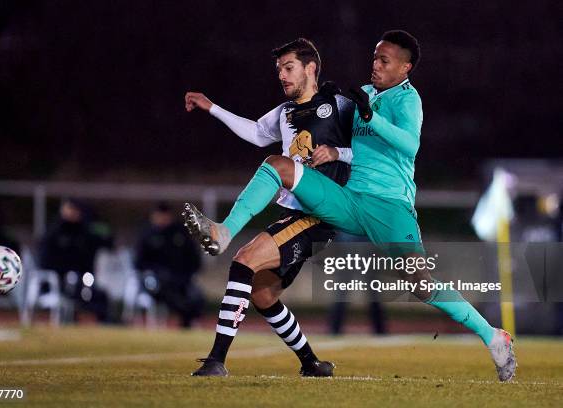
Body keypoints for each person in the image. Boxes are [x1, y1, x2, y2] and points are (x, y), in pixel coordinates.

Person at [184, 30, 517, 382]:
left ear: (405, 68)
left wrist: (370, 116)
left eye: (384, 60)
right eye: (374, 57)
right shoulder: (362, 96)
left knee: (421, 284)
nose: (375, 65)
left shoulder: (406, 100)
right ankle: (224, 230)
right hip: (349, 201)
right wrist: (335, 149)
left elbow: (410, 145)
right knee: (278, 165)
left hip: (389, 208)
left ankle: (493, 336)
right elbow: (351, 146)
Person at [184, 38, 355, 376]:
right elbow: (256, 132)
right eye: (279, 70)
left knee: (245, 254)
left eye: (288, 68)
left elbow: (371, 151)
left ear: (311, 68)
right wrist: (212, 107)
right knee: (262, 292)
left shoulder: (340, 106)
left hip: (319, 215)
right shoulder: (285, 113)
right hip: (295, 214)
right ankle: (311, 363)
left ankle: (217, 360)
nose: (282, 75)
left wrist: (338, 153)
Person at [38, 198, 113, 322]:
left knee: (100, 295)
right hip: (58, 280)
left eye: (75, 210)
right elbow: (44, 260)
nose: (73, 213)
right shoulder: (54, 232)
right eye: (70, 209)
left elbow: (106, 243)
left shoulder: (84, 231)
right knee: (76, 292)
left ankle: (106, 323)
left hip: (81, 279)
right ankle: (69, 319)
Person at [134, 203, 204, 328]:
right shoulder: (147, 235)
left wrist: (188, 274)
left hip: (180, 279)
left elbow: (194, 259)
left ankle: (188, 325)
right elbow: (139, 262)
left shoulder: (180, 233)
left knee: (196, 296)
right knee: (174, 297)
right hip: (156, 281)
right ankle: (184, 320)